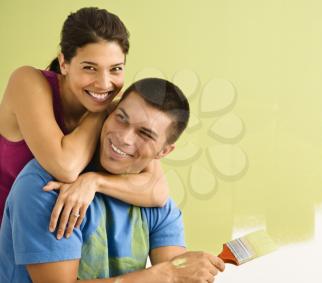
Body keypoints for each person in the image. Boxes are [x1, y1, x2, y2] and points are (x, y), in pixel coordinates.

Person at [0, 78, 225, 283]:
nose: (124, 138)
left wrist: (189, 271)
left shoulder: (157, 203)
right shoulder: (47, 187)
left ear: (164, 151)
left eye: (145, 134)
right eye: (121, 118)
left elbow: (175, 270)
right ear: (108, 112)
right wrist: (163, 275)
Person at [0, 7, 169, 233]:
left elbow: (157, 190)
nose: (104, 83)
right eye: (90, 68)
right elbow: (65, 167)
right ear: (64, 63)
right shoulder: (27, 81)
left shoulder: (118, 113)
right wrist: (103, 109)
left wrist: (94, 182)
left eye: (116, 69)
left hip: (54, 241)